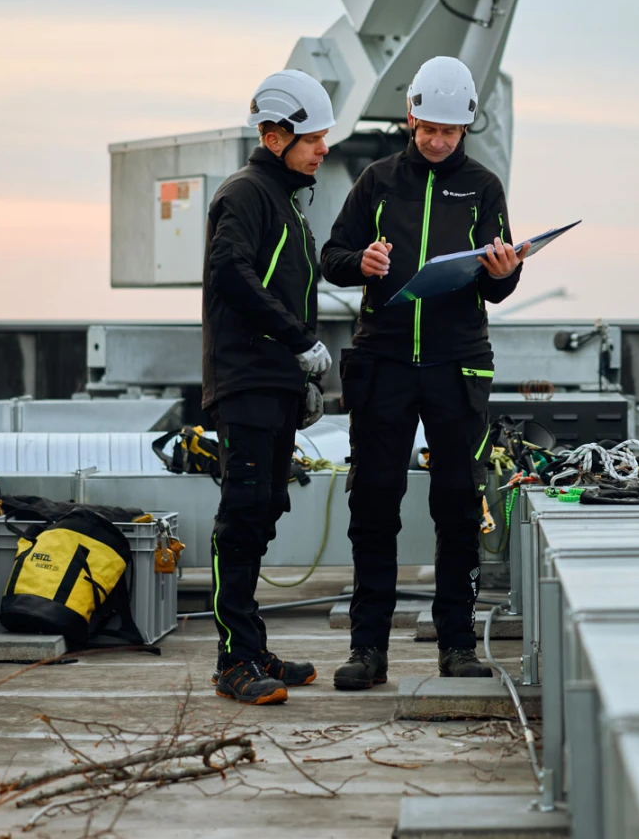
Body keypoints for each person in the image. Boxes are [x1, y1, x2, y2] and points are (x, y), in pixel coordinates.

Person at [320, 56, 530, 690]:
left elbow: (500, 285)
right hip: (383, 361)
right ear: (411, 116)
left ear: (466, 126)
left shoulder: (484, 187)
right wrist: (365, 261)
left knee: (459, 504)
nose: (438, 140)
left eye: (450, 131)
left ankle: (458, 646)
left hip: (457, 364)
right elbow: (332, 257)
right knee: (375, 502)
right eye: (428, 128)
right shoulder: (377, 181)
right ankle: (368, 650)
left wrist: (503, 271)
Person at [202, 69, 334, 705]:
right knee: (242, 516)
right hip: (247, 382)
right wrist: (298, 342)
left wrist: (297, 377)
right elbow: (230, 273)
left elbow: (275, 290)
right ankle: (234, 661)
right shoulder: (247, 194)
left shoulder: (286, 202)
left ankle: (251, 647)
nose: (323, 148)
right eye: (313, 138)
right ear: (275, 135)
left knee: (262, 515)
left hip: (272, 383)